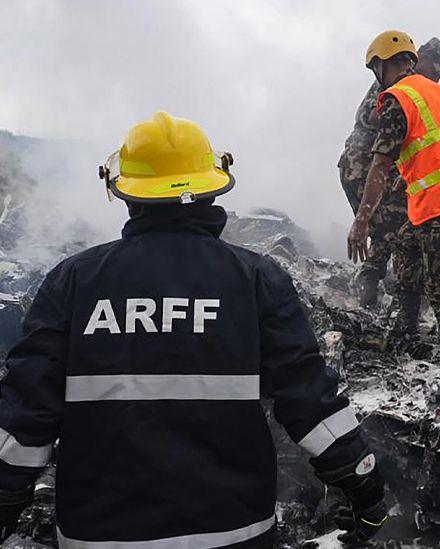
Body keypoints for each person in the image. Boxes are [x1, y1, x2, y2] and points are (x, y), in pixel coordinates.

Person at [0, 112, 387, 546]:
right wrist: (365, 487)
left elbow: (24, 421)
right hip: (234, 534)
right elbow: (310, 401)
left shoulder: (73, 281)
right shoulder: (256, 280)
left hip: (101, 536)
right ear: (210, 187)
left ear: (126, 195)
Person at [347, 31, 440, 384]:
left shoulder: (397, 97)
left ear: (382, 64)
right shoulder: (436, 90)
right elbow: (433, 144)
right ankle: (406, 330)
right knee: (407, 243)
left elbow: (380, 165)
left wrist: (362, 222)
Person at [338, 37, 440, 308]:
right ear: (421, 59)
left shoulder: (412, 85)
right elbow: (375, 119)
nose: (436, 80)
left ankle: (382, 288)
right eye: (436, 72)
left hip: (381, 168)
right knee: (395, 226)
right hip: (363, 165)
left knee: (396, 225)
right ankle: (381, 291)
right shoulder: (396, 82)